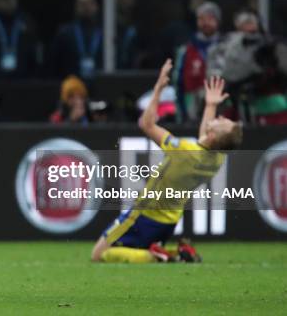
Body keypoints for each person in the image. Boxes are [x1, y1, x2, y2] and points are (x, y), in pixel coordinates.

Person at [91, 59, 243, 264]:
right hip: (170, 221)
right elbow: (204, 138)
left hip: (144, 214)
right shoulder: (217, 158)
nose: (219, 118)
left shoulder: (184, 150)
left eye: (221, 122)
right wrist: (210, 105)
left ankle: (157, 256)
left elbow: (146, 123)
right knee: (129, 248)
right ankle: (174, 253)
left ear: (214, 136)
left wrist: (158, 88)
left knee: (99, 255)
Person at [174, 1, 222, 122]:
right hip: (192, 109)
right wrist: (181, 113)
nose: (205, 23)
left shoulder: (227, 47)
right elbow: (178, 82)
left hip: (221, 108)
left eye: (210, 18)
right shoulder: (186, 49)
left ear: (217, 21)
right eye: (201, 19)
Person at [50, 0, 103, 79]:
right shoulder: (65, 33)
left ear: (96, 6)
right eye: (82, 4)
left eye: (90, 3)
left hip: (100, 83)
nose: (86, 7)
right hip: (72, 84)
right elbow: (55, 63)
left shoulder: (105, 32)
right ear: (75, 7)